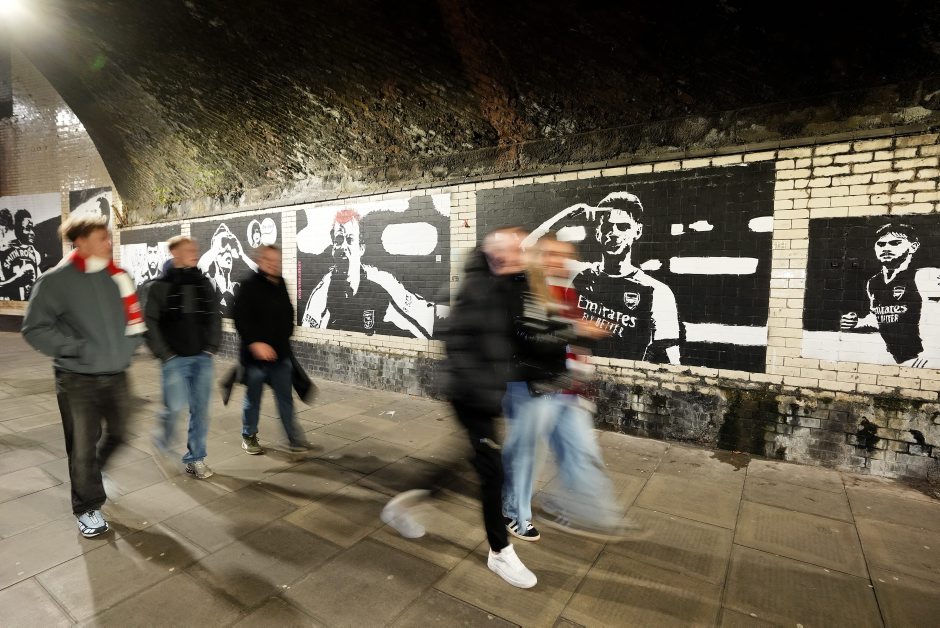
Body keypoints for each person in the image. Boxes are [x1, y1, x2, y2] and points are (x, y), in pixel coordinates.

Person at [379, 227, 538, 589]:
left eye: (521, 251)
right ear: (496, 254)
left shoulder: (504, 286)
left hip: (486, 393)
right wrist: (478, 392)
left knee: (465, 464)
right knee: (492, 472)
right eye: (513, 251)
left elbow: (513, 338)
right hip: (471, 395)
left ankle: (401, 507)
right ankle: (500, 551)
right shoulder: (477, 289)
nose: (520, 256)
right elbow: (457, 343)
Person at [503, 233, 635, 541]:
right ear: (536, 257)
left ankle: (587, 511)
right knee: (525, 455)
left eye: (563, 255)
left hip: (563, 387)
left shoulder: (565, 290)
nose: (558, 261)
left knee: (579, 450)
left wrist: (581, 379)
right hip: (532, 386)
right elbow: (533, 338)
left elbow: (571, 344)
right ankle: (513, 513)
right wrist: (576, 329)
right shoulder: (527, 290)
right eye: (550, 254)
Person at [21, 215, 145, 538]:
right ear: (81, 241)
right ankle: (87, 506)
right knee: (81, 446)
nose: (109, 243)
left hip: (116, 374)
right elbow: (34, 328)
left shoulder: (119, 277)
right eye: (102, 237)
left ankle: (93, 473)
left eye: (108, 237)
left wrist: (129, 348)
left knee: (120, 432)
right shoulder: (55, 281)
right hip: (76, 378)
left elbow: (134, 320)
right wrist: (75, 348)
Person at [143, 236, 222, 479]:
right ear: (174, 253)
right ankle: (162, 441)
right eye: (188, 249)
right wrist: (164, 354)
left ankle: (195, 458)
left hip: (202, 358)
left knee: (201, 411)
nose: (194, 252)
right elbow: (150, 322)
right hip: (174, 359)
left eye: (195, 249)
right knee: (174, 408)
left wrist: (211, 346)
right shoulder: (159, 287)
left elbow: (214, 316)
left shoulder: (204, 283)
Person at [300, 209, 441, 338]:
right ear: (333, 249)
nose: (343, 247)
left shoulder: (383, 283)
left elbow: (421, 323)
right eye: (338, 240)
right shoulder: (322, 294)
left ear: (361, 249)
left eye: (350, 240)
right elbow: (308, 337)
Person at [233, 245, 310, 455]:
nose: (274, 264)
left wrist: (285, 335)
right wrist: (255, 343)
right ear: (260, 261)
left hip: (280, 355)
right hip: (254, 359)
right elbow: (240, 319)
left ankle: (293, 440)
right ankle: (249, 435)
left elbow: (288, 312)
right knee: (253, 399)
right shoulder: (248, 285)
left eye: (277, 261)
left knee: (285, 398)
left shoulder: (281, 283)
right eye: (269, 260)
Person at [840, 223, 940, 367]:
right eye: (881, 244)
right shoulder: (873, 282)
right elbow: (882, 317)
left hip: (923, 360)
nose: (886, 248)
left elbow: (936, 318)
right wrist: (858, 322)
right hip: (901, 360)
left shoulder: (926, 275)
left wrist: (931, 355)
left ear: (913, 246)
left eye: (895, 243)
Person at [198, 222, 257, 313]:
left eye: (229, 251)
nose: (228, 253)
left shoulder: (237, 287)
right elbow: (199, 268)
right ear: (215, 257)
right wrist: (216, 248)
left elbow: (262, 275)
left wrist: (242, 255)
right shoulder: (211, 284)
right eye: (224, 251)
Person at [0, 209, 43, 300]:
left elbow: (39, 282)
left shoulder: (34, 252)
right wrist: (16, 280)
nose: (32, 233)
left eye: (32, 229)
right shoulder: (3, 253)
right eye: (27, 228)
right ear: (16, 228)